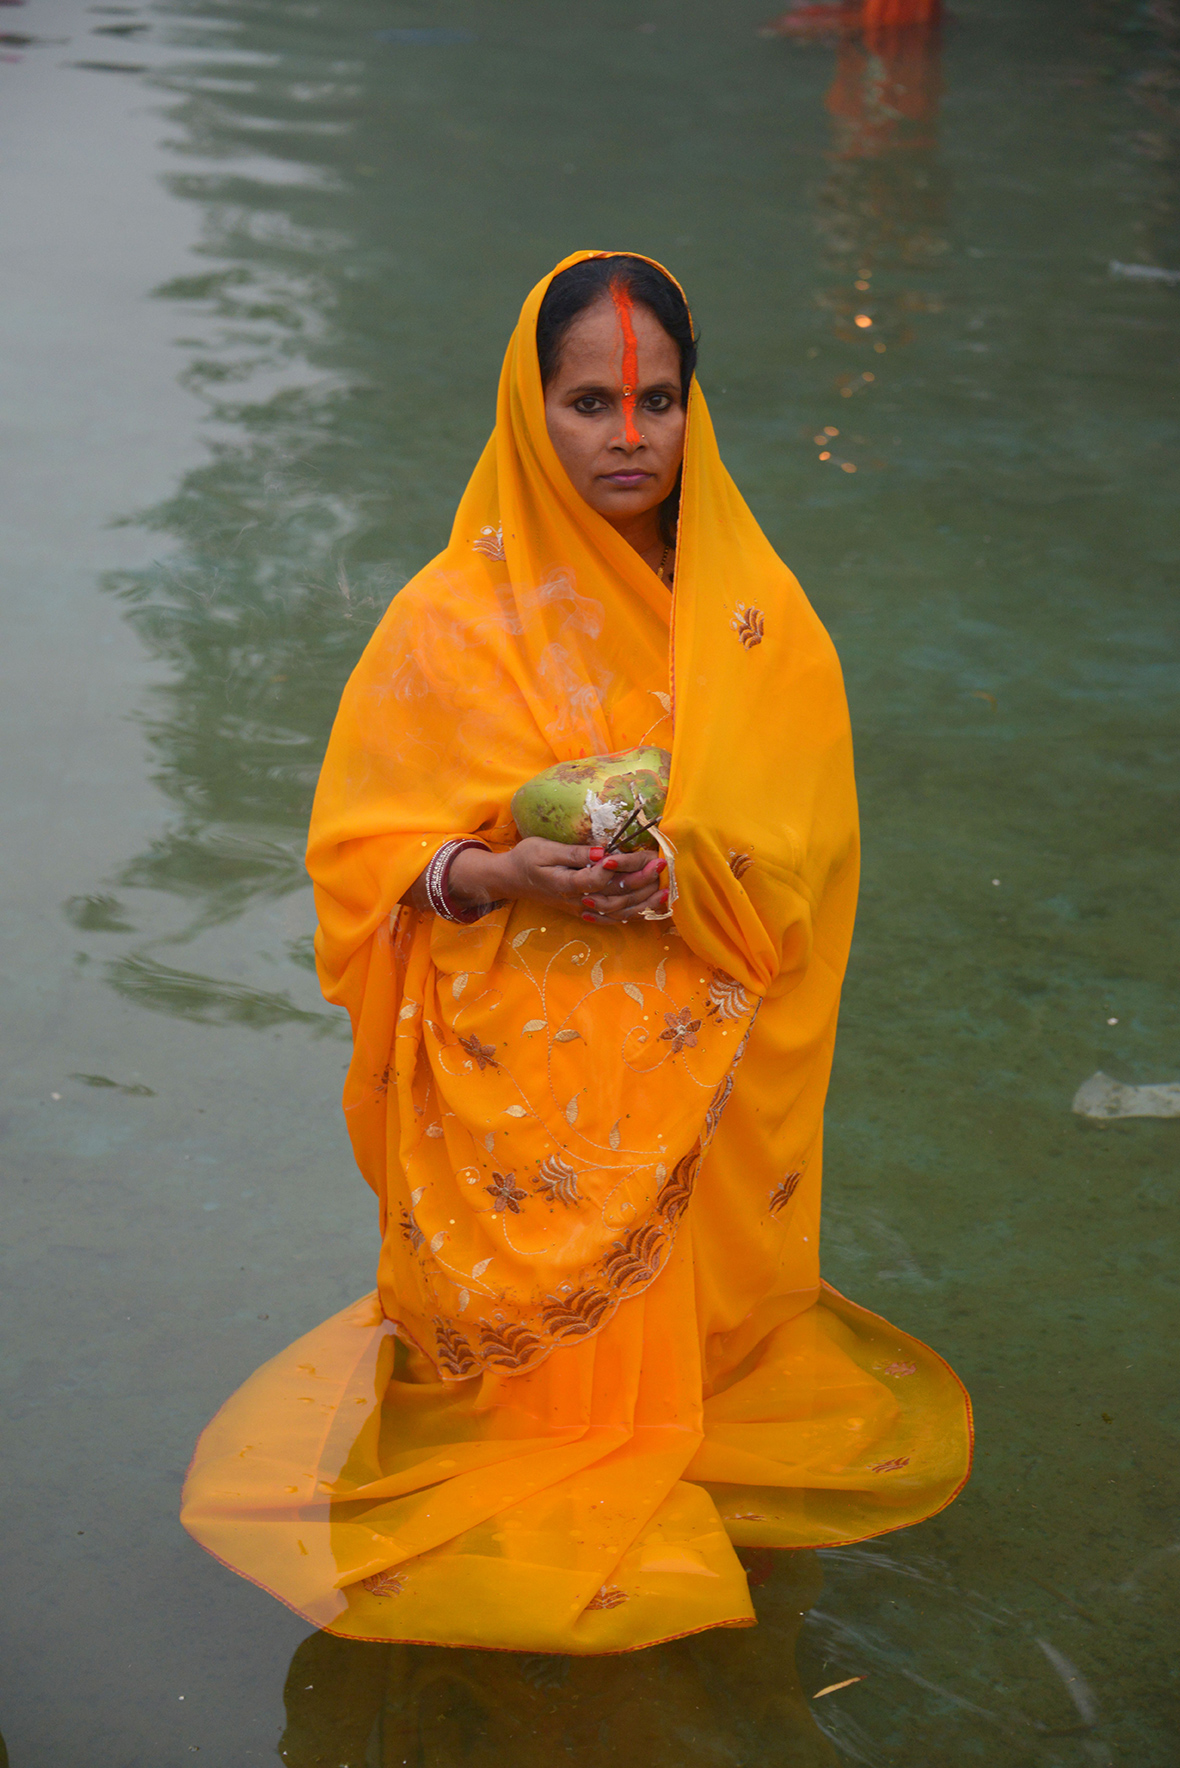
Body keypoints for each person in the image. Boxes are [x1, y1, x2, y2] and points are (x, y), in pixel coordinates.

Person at [181, 250, 971, 1656]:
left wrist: (696, 870)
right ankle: (552, 1410)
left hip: (693, 1016)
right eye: (590, 401)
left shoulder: (754, 617)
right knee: (534, 1423)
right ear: (527, 412)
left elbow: (808, 845)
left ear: (693, 413)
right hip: (523, 1045)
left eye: (658, 401)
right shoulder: (449, 618)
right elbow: (366, 860)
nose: (627, 437)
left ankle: (670, 1388)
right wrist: (499, 871)